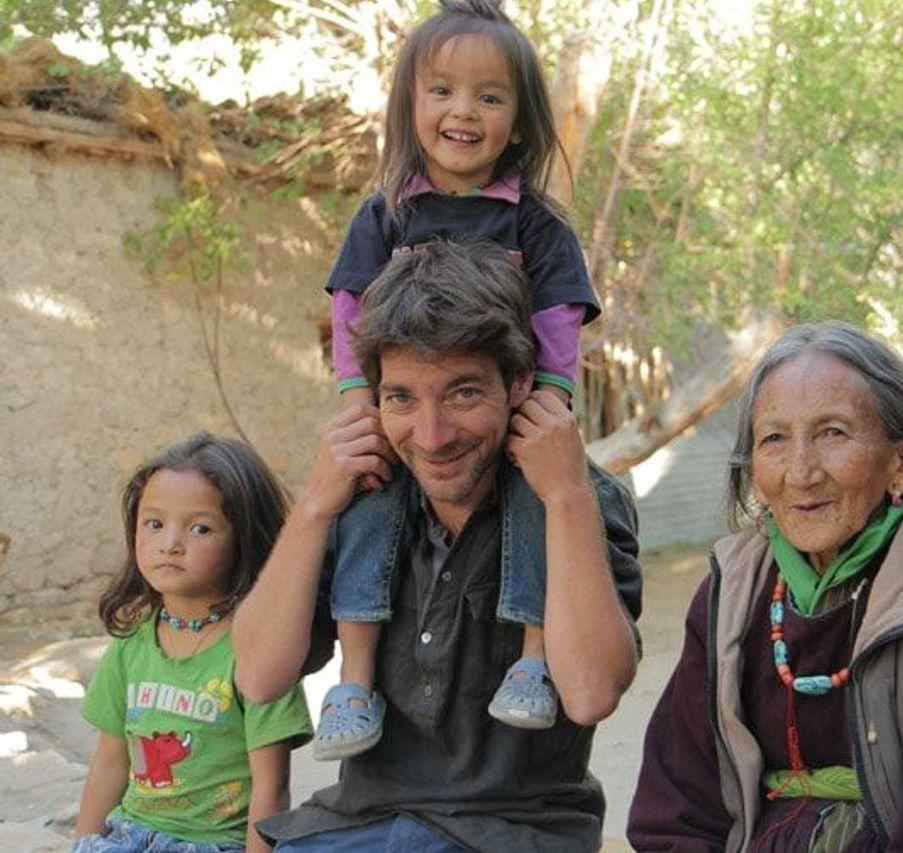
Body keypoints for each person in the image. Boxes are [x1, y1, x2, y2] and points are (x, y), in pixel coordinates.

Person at [233, 237, 641, 852]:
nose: (431, 435)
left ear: (521, 382)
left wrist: (566, 497)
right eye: (401, 398)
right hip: (357, 826)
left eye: (463, 392)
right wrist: (316, 504)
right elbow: (260, 678)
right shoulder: (362, 498)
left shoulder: (578, 500)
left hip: (513, 835)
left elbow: (589, 694)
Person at [628, 322, 903, 852]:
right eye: (774, 438)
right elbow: (676, 811)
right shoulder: (732, 595)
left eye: (832, 433)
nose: (800, 471)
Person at [318, 0, 598, 753]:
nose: (462, 111)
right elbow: (349, 309)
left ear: (522, 119)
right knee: (365, 507)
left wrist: (548, 405)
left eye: (489, 95)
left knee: (536, 508)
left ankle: (533, 663)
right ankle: (353, 680)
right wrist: (357, 400)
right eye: (441, 90)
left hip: (507, 424)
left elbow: (560, 320)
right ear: (411, 104)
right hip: (402, 423)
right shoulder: (384, 218)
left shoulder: (536, 226)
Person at [74, 433, 313, 853]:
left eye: (200, 528)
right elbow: (111, 761)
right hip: (128, 836)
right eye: (154, 523)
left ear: (245, 538)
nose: (170, 544)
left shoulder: (259, 654)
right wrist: (83, 844)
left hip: (211, 844)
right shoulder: (133, 644)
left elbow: (271, 787)